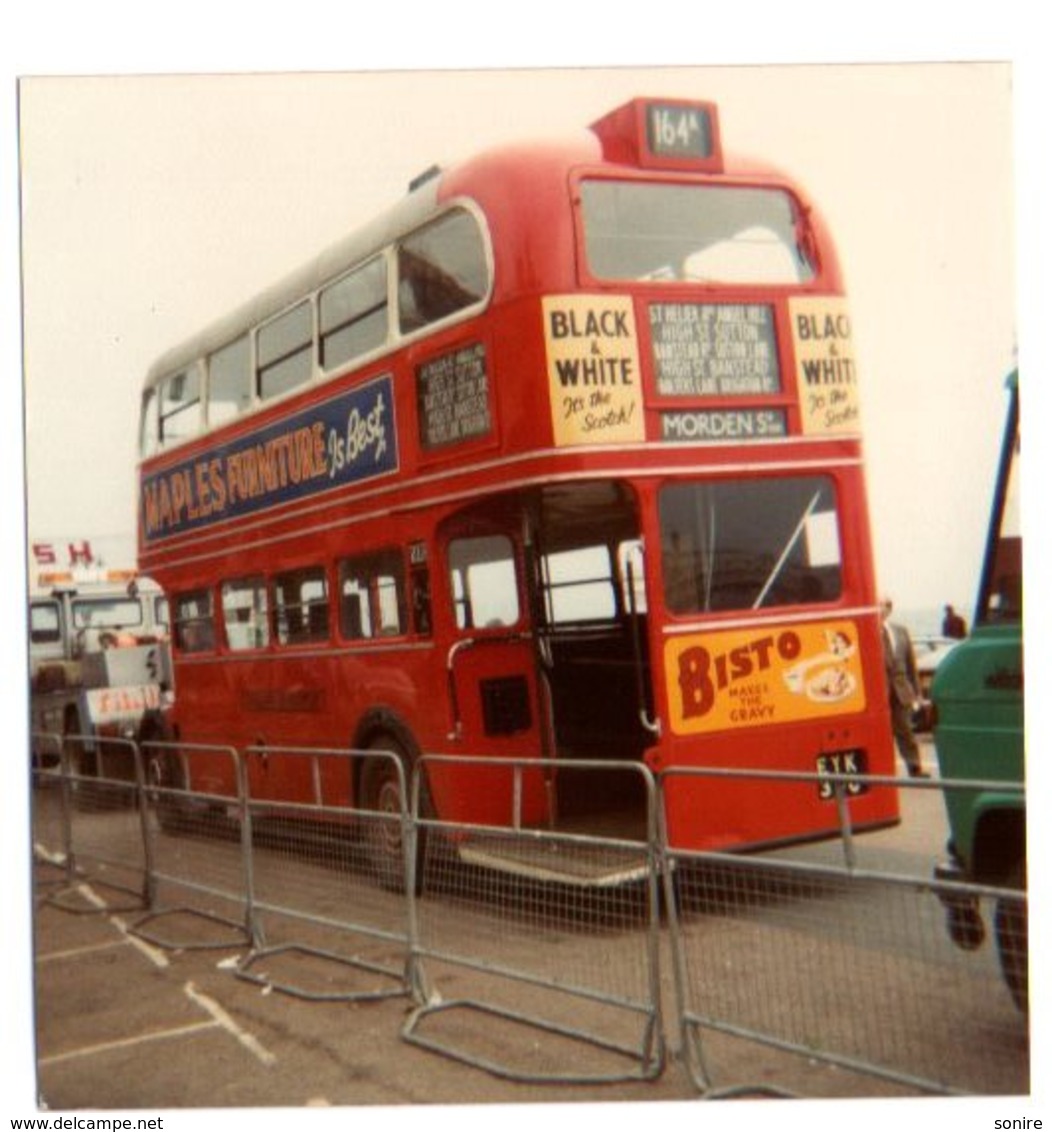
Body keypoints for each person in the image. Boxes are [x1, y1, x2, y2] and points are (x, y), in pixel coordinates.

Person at [881, 597, 928, 778]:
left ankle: (915, 767)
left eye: (883, 606)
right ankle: (885, 771)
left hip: (901, 690)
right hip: (880, 691)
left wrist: (917, 693)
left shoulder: (900, 631)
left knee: (906, 730)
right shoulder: (869, 631)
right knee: (883, 734)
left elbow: (911, 664)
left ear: (889, 609)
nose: (879, 609)